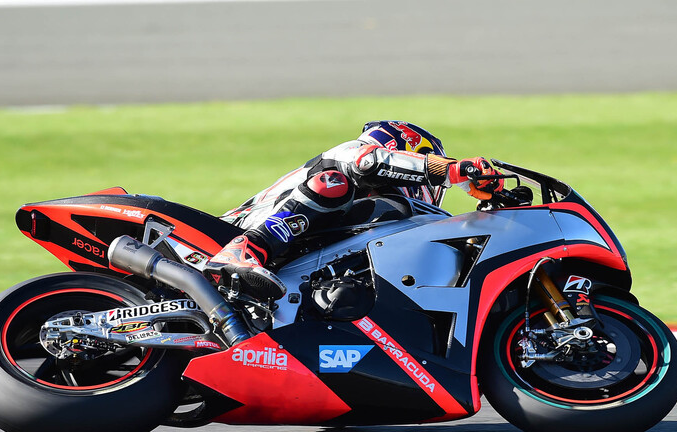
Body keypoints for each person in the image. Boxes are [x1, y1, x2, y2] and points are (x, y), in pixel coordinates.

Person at [204, 120, 503, 300]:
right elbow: (370, 162)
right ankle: (246, 250)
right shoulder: (349, 155)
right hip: (231, 232)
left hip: (287, 262)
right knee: (334, 184)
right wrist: (453, 170)